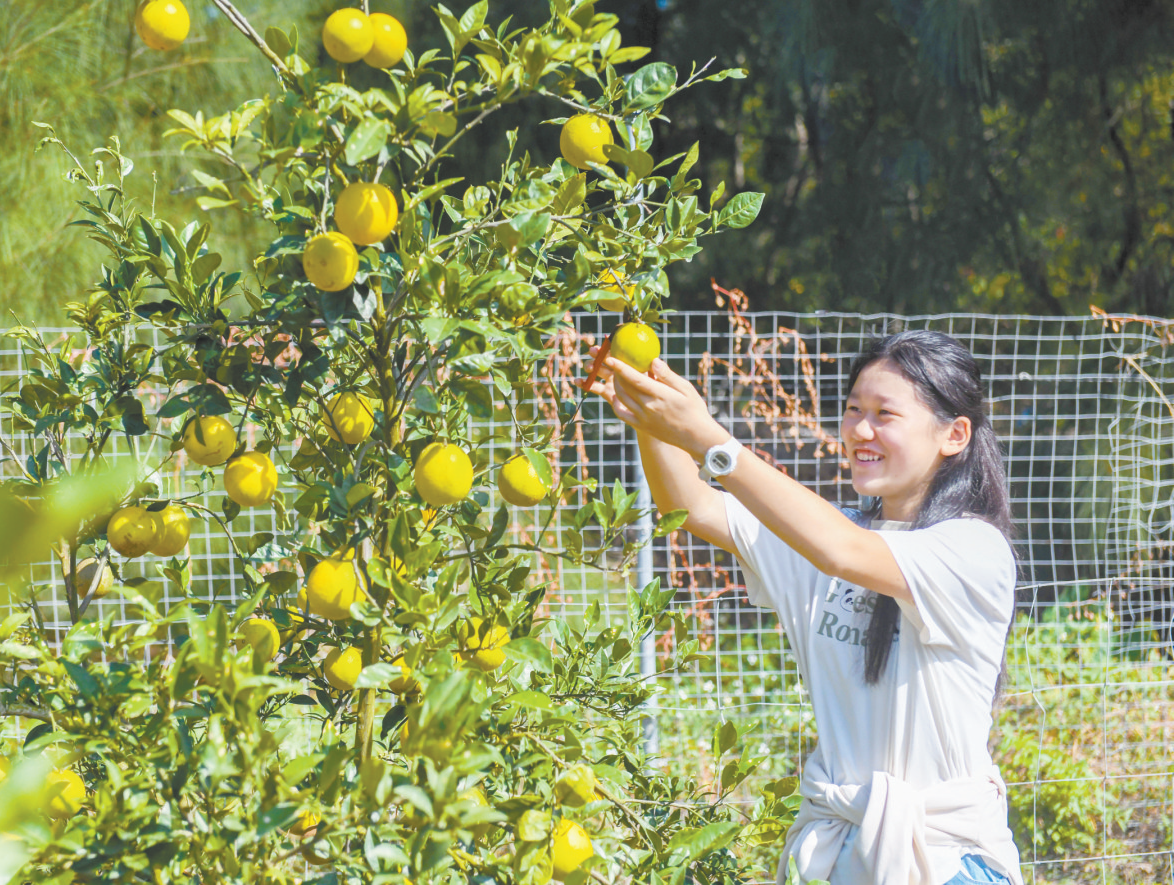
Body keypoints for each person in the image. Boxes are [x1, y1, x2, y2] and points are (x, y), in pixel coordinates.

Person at [579, 329, 1023, 885]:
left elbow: (844, 552)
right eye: (854, 409)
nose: (861, 429)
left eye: (886, 414)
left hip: (944, 861)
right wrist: (653, 416)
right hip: (837, 855)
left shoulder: (973, 550)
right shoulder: (833, 535)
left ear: (954, 434)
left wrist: (711, 440)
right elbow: (693, 508)